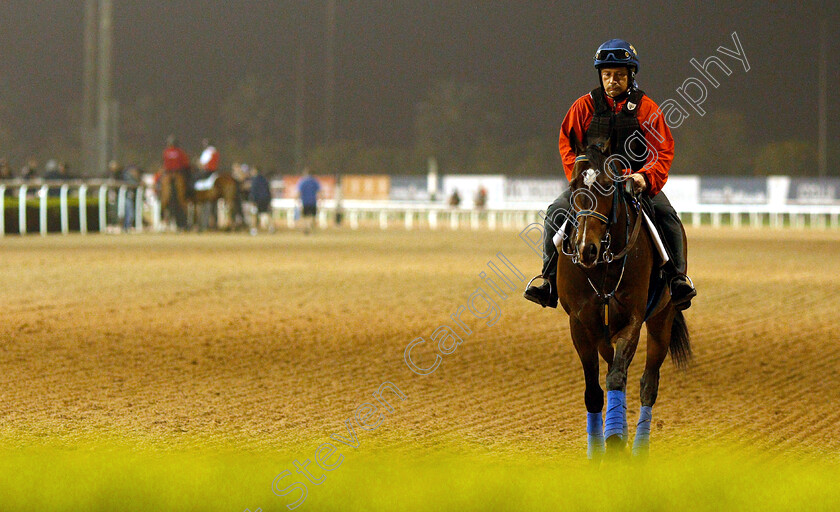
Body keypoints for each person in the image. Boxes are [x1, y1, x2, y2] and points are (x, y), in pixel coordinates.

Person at [523, 39, 696, 311]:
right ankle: (547, 280)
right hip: (591, 186)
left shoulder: (646, 108)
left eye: (619, 75)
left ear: (630, 76)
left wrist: (645, 177)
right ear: (600, 76)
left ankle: (677, 280)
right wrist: (580, 177)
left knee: (668, 217)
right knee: (555, 212)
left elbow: (662, 150)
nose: (612, 81)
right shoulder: (583, 107)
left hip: (633, 184)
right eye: (607, 75)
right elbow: (567, 145)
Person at [248, 166, 273, 234]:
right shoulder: (265, 179)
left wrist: (252, 200)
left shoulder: (254, 180)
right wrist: (269, 200)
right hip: (265, 199)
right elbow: (268, 190)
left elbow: (253, 191)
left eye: (252, 171)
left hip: (257, 200)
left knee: (254, 214)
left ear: (255, 171)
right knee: (267, 213)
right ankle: (271, 228)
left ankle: (253, 230)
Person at [296, 168, 321, 234]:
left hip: (305, 202)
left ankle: (306, 227)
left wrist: (296, 200)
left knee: (305, 216)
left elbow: (299, 192)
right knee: (312, 216)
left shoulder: (302, 181)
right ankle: (309, 227)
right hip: (313, 201)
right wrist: (321, 200)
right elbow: (319, 192)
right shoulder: (315, 181)